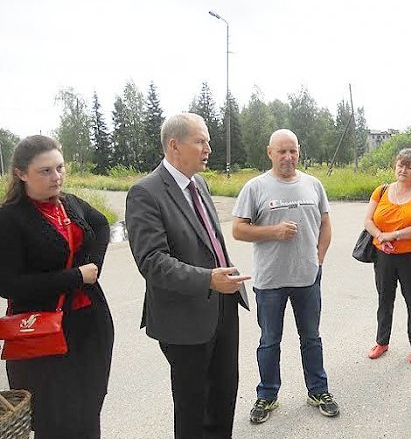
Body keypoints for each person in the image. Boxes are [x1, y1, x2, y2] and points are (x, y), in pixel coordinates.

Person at [125, 113, 250, 439]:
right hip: (184, 317)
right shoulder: (146, 192)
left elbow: (208, 241)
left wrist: (222, 283)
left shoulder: (200, 184)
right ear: (174, 145)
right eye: (201, 141)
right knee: (193, 405)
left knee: (224, 395)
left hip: (223, 305)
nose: (208, 148)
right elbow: (152, 261)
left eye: (207, 140)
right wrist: (208, 279)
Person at [0, 135, 114, 438]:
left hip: (89, 326)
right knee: (53, 419)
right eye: (45, 171)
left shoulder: (70, 203)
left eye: (60, 168)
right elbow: (9, 284)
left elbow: (102, 224)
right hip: (39, 334)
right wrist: (76, 276)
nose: (57, 176)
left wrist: (94, 265)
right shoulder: (9, 219)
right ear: (21, 174)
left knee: (89, 408)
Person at [231, 129, 339, 424]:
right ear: (270, 153)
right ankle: (267, 395)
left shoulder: (313, 185)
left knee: (311, 338)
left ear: (298, 151)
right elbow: (238, 229)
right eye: (282, 151)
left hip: (307, 277)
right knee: (269, 341)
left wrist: (319, 257)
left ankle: (318, 391)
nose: (288, 157)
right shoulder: (255, 187)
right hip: (269, 281)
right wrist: (273, 232)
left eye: (292, 151)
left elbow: (325, 223)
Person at [363, 148, 411, 364]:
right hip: (383, 255)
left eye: (409, 167)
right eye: (400, 165)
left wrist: (394, 235)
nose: (403, 170)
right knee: (384, 298)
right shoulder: (382, 191)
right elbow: (368, 221)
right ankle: (382, 341)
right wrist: (380, 237)